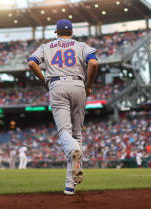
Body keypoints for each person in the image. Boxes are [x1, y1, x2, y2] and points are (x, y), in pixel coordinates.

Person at [27, 19, 98, 195]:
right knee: (77, 134)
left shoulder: (46, 46)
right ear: (72, 32)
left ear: (56, 33)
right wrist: (88, 85)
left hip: (57, 86)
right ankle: (69, 186)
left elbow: (31, 62)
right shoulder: (81, 46)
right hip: (78, 85)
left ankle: (73, 150)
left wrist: (44, 81)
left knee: (65, 133)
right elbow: (94, 63)